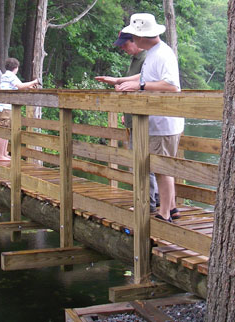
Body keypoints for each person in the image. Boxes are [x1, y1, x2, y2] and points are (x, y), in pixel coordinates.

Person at [102, 13, 183, 222]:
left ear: (142, 36)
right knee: (161, 167)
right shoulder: (154, 53)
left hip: (164, 122)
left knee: (161, 168)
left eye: (134, 36)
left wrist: (140, 86)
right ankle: (171, 207)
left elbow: (172, 86)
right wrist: (122, 81)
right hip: (156, 122)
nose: (133, 40)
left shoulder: (163, 54)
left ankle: (164, 213)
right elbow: (146, 77)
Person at [95, 32, 161, 213]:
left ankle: (147, 203)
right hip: (134, 117)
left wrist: (118, 81)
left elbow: (144, 81)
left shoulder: (146, 58)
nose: (123, 48)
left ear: (136, 41)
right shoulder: (135, 59)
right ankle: (154, 199)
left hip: (144, 118)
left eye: (125, 44)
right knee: (140, 162)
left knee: (141, 163)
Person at [0, 58, 39, 161]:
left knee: (6, 130)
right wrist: (34, 81)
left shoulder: (5, 75)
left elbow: (18, 87)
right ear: (16, 68)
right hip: (5, 107)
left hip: (1, 106)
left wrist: (30, 86)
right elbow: (20, 85)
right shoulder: (10, 76)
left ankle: (4, 153)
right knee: (3, 130)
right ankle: (0, 155)